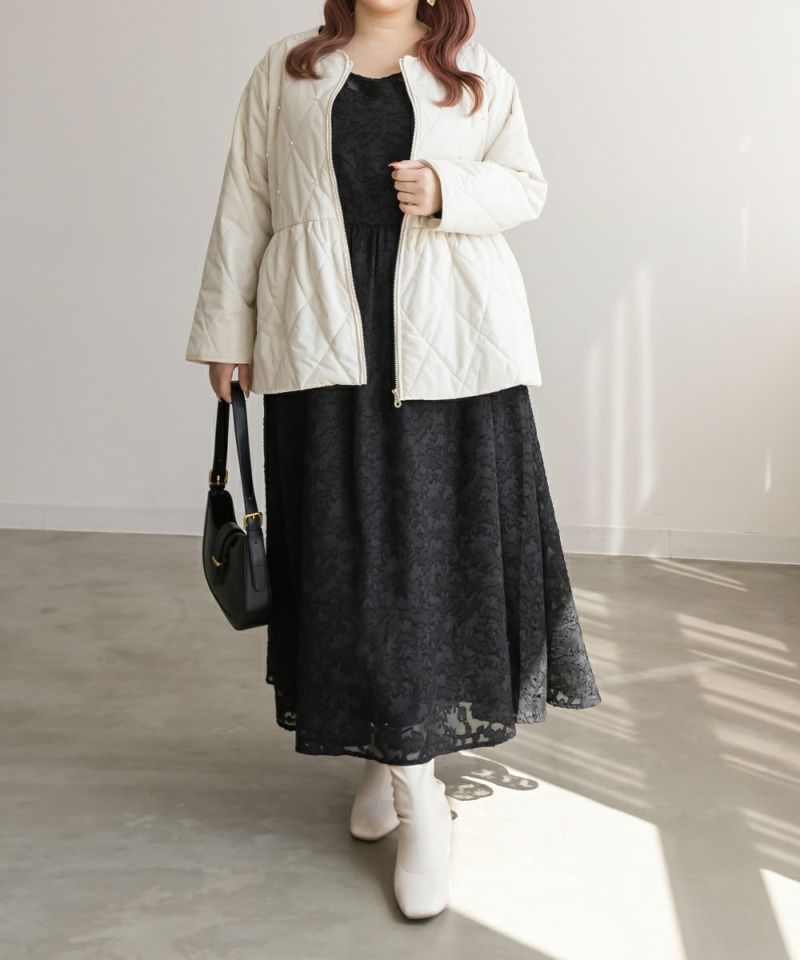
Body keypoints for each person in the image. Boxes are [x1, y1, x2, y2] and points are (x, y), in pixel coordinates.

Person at [185, 0, 601, 920]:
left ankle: (417, 797)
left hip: (450, 347)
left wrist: (450, 189)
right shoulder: (290, 66)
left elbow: (526, 185)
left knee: (426, 570)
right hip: (323, 340)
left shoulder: (472, 69)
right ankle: (392, 755)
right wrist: (226, 330)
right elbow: (246, 198)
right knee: (349, 565)